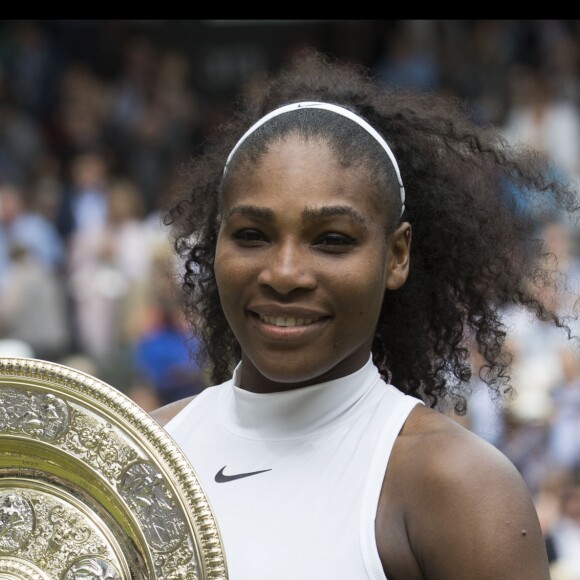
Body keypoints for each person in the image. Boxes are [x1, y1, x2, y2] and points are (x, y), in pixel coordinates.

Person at [152, 48, 579, 579]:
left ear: (396, 255)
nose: (284, 273)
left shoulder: (459, 486)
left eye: (332, 240)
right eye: (252, 235)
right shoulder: (140, 447)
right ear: (215, 243)